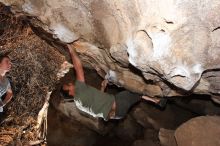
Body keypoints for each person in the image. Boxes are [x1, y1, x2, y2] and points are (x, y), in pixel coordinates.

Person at [62, 42, 167, 121]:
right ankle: (157, 99)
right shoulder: (79, 91)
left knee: (136, 95)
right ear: (70, 93)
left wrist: (102, 87)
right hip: (118, 103)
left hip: (117, 115)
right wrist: (71, 50)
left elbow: (97, 105)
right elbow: (78, 68)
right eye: (68, 85)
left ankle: (156, 101)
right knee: (136, 90)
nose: (70, 83)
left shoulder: (79, 104)